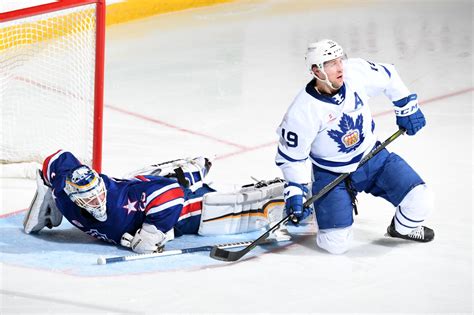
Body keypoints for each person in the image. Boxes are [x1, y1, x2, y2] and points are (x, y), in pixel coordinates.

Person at [276, 39, 434, 254]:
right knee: (335, 245)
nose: (340, 67)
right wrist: (295, 190)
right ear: (316, 70)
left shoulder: (356, 72)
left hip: (373, 158)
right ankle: (322, 206)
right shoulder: (302, 112)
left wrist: (405, 106)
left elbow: (388, 74)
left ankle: (401, 230)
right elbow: (292, 157)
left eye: (340, 59)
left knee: (420, 199)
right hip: (332, 175)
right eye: (331, 63)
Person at [23, 150, 288, 254]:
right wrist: (47, 188)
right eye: (89, 197)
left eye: (97, 191)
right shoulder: (64, 188)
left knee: (228, 206)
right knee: (144, 180)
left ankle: (287, 197)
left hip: (181, 211)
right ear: (72, 195)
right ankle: (184, 171)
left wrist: (152, 233)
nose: (96, 199)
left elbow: (172, 195)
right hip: (138, 189)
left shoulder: (115, 200)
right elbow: (57, 158)